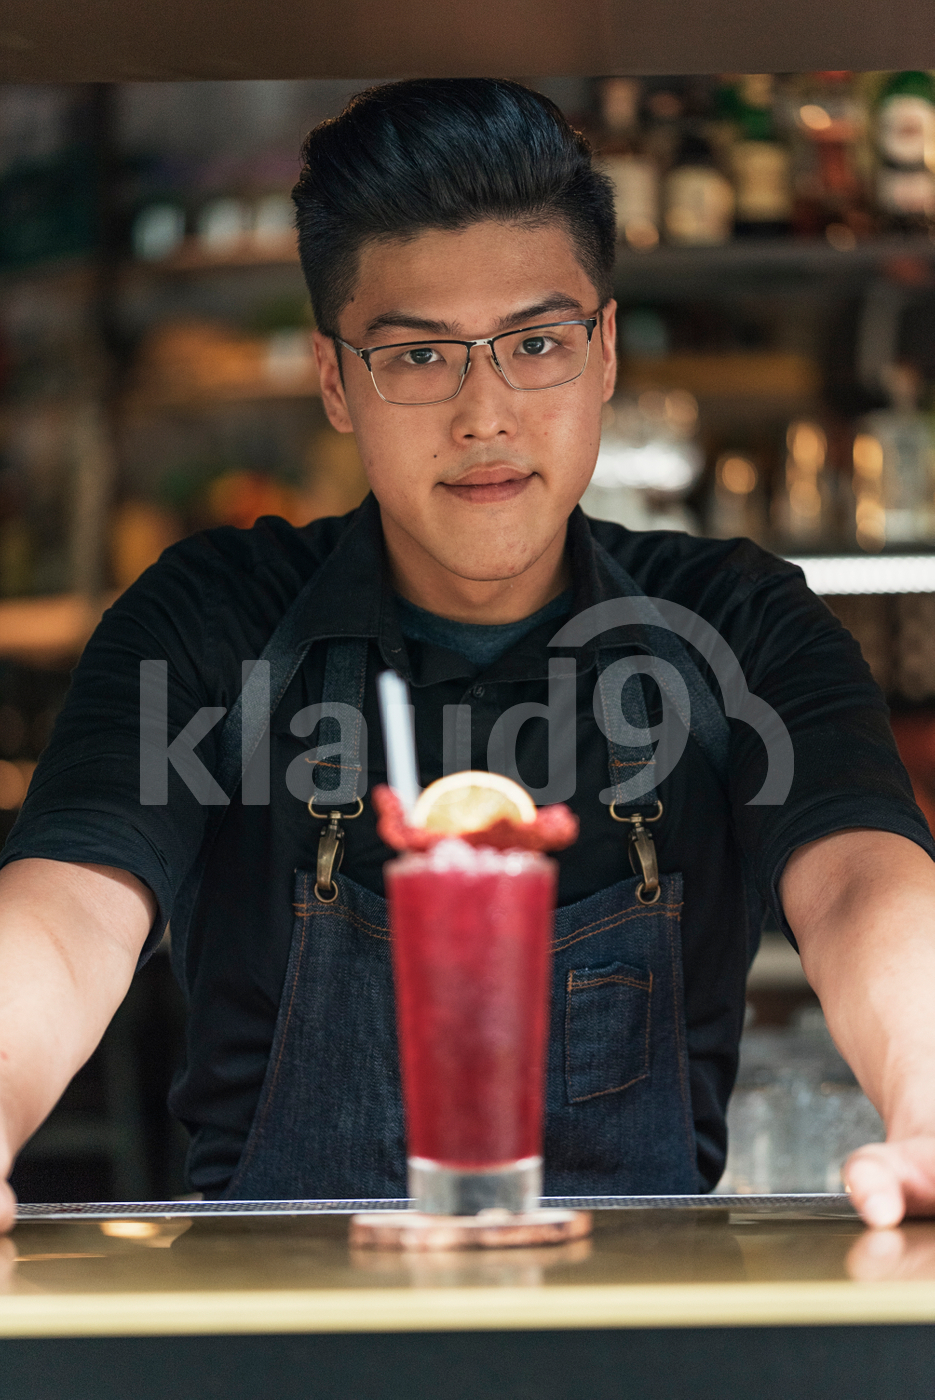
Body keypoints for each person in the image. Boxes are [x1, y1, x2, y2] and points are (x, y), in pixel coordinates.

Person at [2, 78, 935, 1230]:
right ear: (337, 380)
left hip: (636, 1329)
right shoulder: (216, 619)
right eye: (420, 357)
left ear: (602, 353)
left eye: (534, 342)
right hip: (280, 1327)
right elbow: (74, 902)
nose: (484, 414)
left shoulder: (734, 621)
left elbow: (858, 883)